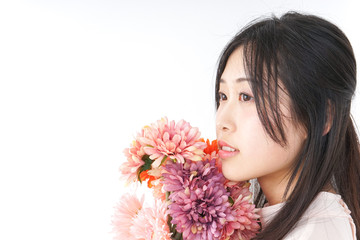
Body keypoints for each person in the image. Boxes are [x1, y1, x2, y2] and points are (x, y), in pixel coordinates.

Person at [215, 12, 360, 239]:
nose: (222, 122)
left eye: (246, 97)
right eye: (223, 96)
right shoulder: (277, 221)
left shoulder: (317, 232)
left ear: (322, 118)